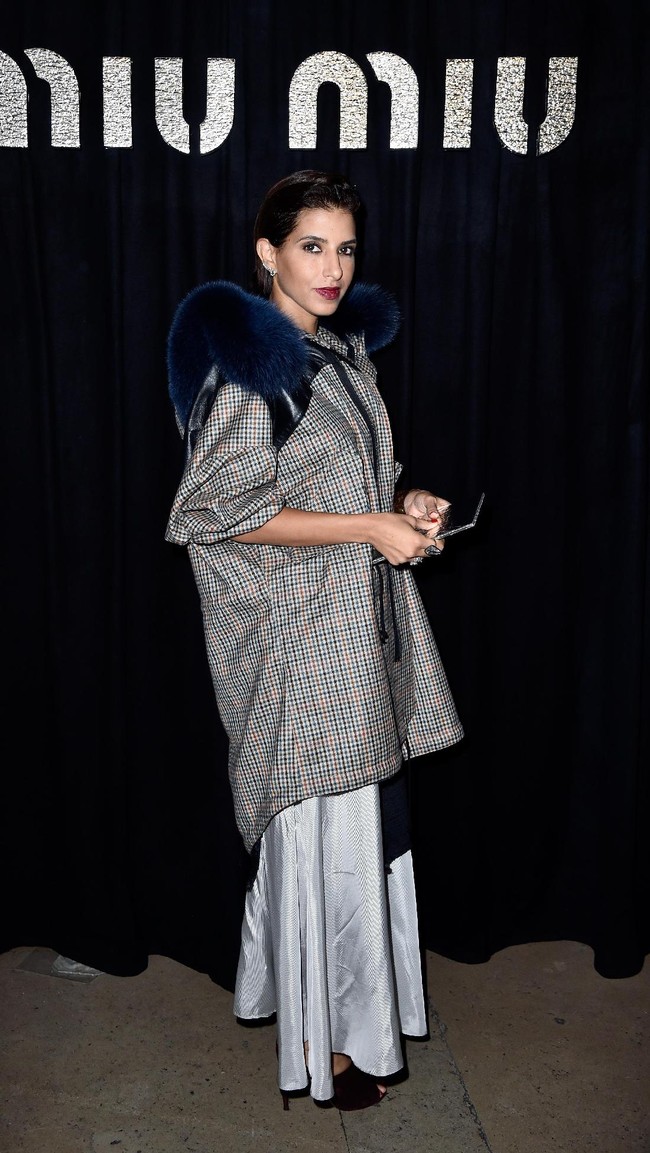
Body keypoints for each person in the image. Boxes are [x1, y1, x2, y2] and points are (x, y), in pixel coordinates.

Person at [165, 170, 464, 1111]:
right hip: (301, 656)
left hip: (352, 643)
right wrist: (365, 529)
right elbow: (213, 513)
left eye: (344, 248)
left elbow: (344, 479)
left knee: (363, 845)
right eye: (311, 247)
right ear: (267, 254)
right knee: (326, 849)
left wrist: (400, 506)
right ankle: (322, 1047)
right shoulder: (253, 368)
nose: (332, 268)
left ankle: (352, 1024)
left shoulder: (336, 352)